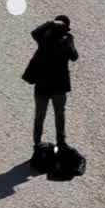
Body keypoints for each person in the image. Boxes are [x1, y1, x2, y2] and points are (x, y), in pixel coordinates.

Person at [23, 14, 78, 160]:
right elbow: (34, 33)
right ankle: (45, 144)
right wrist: (50, 24)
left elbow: (74, 56)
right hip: (49, 86)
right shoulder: (46, 38)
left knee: (52, 116)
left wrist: (68, 44)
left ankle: (53, 143)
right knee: (46, 116)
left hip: (52, 86)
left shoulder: (64, 39)